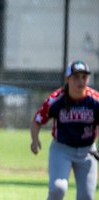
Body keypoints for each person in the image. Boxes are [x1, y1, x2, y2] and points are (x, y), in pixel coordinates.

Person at [30, 60, 98, 200]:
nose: (80, 81)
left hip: (87, 152)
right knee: (57, 189)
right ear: (67, 79)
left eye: (84, 77)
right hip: (62, 150)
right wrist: (35, 140)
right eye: (76, 77)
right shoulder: (56, 99)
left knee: (87, 197)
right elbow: (37, 120)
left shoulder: (95, 100)